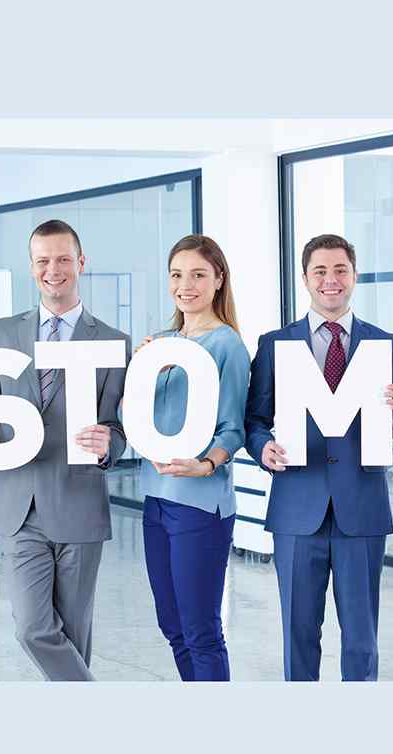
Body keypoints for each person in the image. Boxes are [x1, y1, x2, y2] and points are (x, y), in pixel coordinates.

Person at [0, 219, 129, 681]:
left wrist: (112, 441)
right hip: (18, 506)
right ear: (32, 268)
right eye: (43, 261)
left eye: (64, 259)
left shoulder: (111, 341)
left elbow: (121, 426)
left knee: (74, 632)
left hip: (79, 502)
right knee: (33, 628)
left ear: (81, 263)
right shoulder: (3, 332)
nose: (54, 270)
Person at [245, 233, 393, 681]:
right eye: (320, 271)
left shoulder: (386, 344)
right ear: (305, 278)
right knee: (298, 635)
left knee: (362, 641)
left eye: (340, 269)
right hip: (296, 511)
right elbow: (255, 420)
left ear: (354, 275)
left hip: (360, 511)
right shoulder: (274, 345)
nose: (331, 280)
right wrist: (262, 446)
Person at [134, 235, 250, 681]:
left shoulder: (227, 346)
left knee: (201, 629)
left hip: (201, 504)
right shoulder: (159, 344)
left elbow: (234, 427)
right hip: (156, 499)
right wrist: (143, 372)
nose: (187, 285)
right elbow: (134, 417)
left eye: (199, 274)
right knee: (172, 625)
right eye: (178, 275)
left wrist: (206, 464)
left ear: (218, 281)